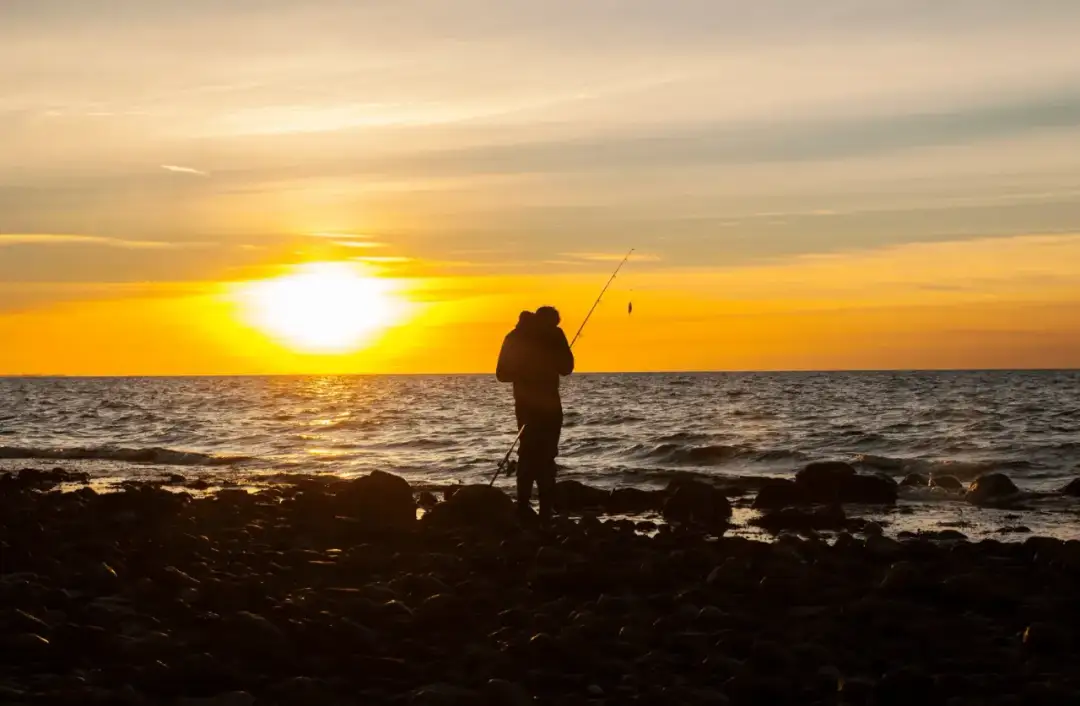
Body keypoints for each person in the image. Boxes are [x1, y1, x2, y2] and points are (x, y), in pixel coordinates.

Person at [496, 306, 574, 520]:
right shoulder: (549, 335)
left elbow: (501, 374)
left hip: (530, 405)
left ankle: (531, 507)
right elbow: (567, 368)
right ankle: (539, 509)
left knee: (531, 453)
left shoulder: (515, 337)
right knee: (541, 454)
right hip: (541, 405)